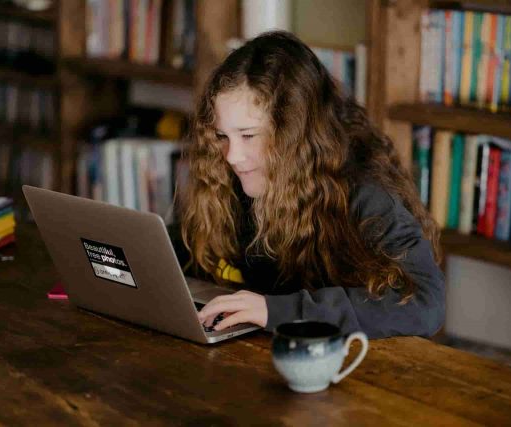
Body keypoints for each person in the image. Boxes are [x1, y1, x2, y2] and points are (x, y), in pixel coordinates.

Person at [167, 31, 445, 339]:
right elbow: (186, 248)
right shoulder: (236, 177)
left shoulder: (366, 191)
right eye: (222, 136)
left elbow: (425, 303)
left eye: (249, 136)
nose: (233, 156)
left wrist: (277, 310)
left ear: (294, 135)